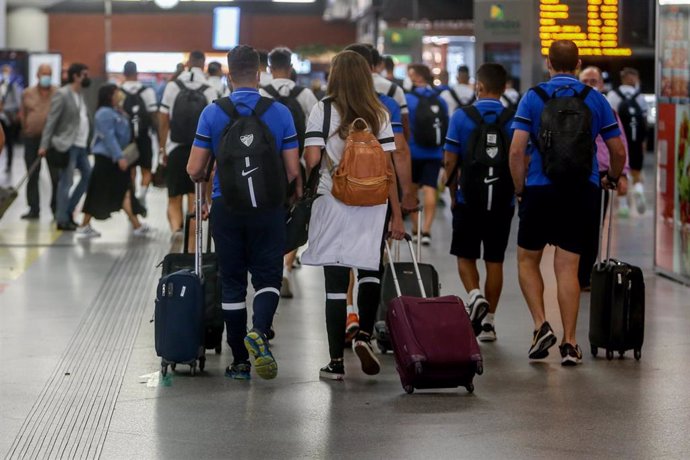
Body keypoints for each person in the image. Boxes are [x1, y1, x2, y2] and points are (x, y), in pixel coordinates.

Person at [187, 45, 301, 381]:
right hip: (268, 208)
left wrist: (209, 171)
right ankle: (260, 331)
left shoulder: (213, 113)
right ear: (260, 71)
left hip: (227, 207)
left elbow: (193, 168)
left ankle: (239, 361)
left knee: (233, 283)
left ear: (228, 73)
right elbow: (293, 171)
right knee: (267, 277)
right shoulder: (280, 112)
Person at [509, 40, 626, 366]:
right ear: (577, 64)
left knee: (527, 261)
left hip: (540, 189)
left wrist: (521, 190)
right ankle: (571, 344)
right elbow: (617, 151)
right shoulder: (595, 99)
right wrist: (612, 179)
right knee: (568, 268)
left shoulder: (533, 97)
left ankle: (540, 325)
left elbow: (517, 150)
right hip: (581, 190)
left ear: (548, 62)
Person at [301, 50, 405, 381]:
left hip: (333, 201)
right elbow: (388, 168)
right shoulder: (379, 113)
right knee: (370, 271)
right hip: (373, 204)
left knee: (335, 282)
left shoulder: (323, 109)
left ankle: (335, 362)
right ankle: (363, 337)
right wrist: (398, 215)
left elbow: (313, 158)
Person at [342, 44, 416, 339]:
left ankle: (349, 312)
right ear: (374, 66)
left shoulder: (332, 103)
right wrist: (405, 194)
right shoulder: (388, 101)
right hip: (377, 191)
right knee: (372, 258)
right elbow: (399, 151)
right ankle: (366, 329)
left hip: (342, 191)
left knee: (343, 256)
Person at [443, 63, 516, 343]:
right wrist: (518, 192)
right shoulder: (513, 116)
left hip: (468, 198)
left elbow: (450, 160)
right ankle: (489, 324)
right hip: (503, 198)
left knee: (465, 255)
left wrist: (451, 194)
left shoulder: (461, 117)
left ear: (479, 87)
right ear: (504, 87)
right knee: (494, 260)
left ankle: (474, 296)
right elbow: (521, 156)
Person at [260, 46, 319, 299]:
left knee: (267, 214)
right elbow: (317, 130)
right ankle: (285, 268)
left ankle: (265, 266)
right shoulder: (305, 94)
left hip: (265, 168)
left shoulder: (261, 93)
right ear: (291, 68)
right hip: (299, 165)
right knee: (295, 215)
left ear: (270, 68)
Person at [577, 66, 630, 289]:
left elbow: (620, 144)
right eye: (586, 81)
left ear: (602, 84)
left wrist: (621, 174)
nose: (590, 85)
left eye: (594, 81)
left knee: (592, 226)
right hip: (573, 172)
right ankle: (573, 271)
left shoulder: (608, 111)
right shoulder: (570, 109)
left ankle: (584, 274)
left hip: (601, 176)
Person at [76, 84, 149, 238]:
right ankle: (84, 225)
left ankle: (136, 224)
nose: (120, 95)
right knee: (98, 191)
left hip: (116, 159)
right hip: (107, 160)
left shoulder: (117, 111)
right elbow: (109, 138)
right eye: (117, 93)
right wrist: (119, 157)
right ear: (109, 95)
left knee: (124, 190)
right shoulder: (103, 114)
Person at [159, 51, 218, 236]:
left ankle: (176, 234)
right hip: (201, 152)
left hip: (175, 147)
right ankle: (191, 244)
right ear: (203, 64)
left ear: (188, 63)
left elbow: (163, 119)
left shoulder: (172, 86)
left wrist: (163, 148)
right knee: (196, 200)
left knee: (173, 198)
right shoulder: (209, 88)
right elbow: (214, 124)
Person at [39, 63, 93, 231]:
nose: (87, 77)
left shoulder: (80, 95)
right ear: (76, 76)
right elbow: (51, 121)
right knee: (66, 182)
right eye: (84, 74)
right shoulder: (62, 94)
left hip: (81, 145)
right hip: (67, 145)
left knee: (88, 176)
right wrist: (44, 145)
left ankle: (69, 210)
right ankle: (62, 218)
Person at [406, 63, 449, 246]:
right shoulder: (441, 100)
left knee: (413, 190)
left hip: (413, 152)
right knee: (430, 189)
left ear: (417, 77)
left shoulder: (408, 99)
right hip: (434, 152)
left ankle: (415, 229)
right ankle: (426, 230)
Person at [607, 67, 648, 215]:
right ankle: (638, 189)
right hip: (636, 140)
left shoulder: (613, 95)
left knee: (621, 173)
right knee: (636, 171)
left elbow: (609, 120)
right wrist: (643, 142)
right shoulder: (640, 97)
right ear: (634, 79)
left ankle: (623, 206)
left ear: (622, 78)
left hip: (620, 140)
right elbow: (644, 120)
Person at [19, 64, 58, 220]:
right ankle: (33, 208)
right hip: (32, 139)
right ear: (37, 75)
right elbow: (23, 113)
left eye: (49, 74)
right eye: (44, 74)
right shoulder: (27, 93)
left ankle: (56, 207)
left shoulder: (58, 92)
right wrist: (26, 128)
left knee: (56, 176)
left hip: (52, 141)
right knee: (32, 174)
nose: (46, 77)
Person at [120, 61, 159, 210]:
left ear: (124, 74)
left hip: (127, 139)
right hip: (144, 136)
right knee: (146, 169)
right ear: (137, 73)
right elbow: (154, 115)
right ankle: (142, 194)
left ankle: (133, 199)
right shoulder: (147, 92)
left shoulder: (119, 92)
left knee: (131, 170)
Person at [0, 65, 23, 173]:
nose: (5, 73)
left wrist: (4, 108)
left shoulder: (13, 86)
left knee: (9, 142)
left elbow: (17, 103)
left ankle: (9, 164)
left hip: (8, 119)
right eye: (4, 71)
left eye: (7, 72)